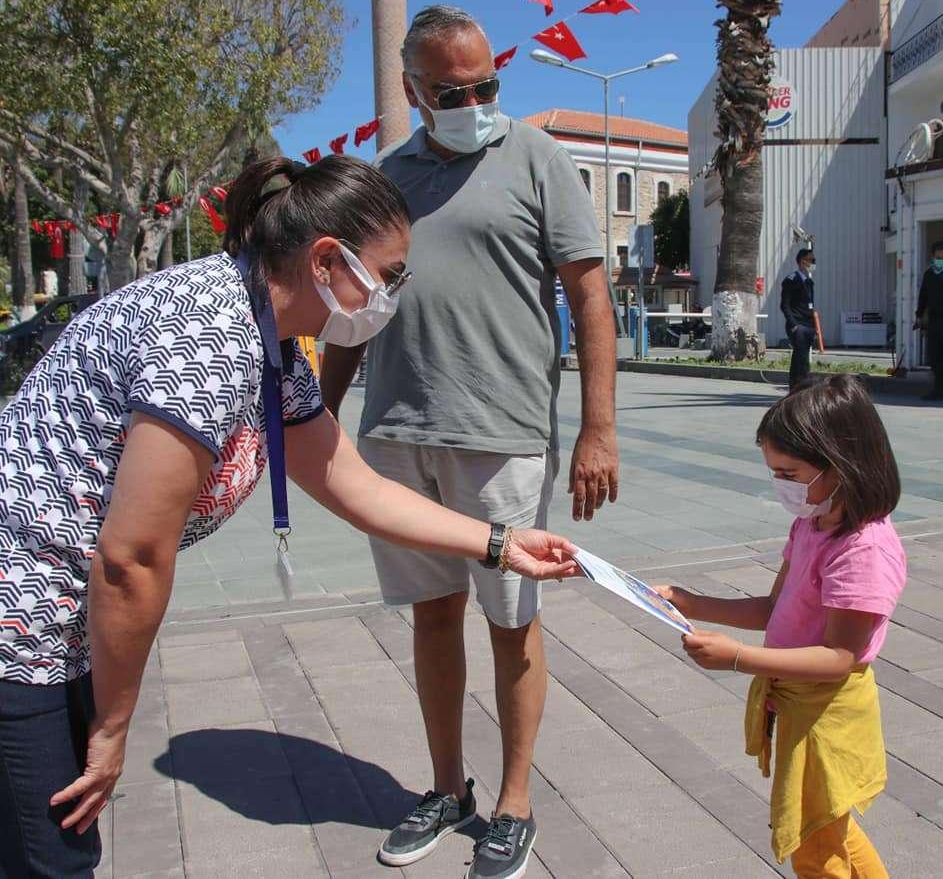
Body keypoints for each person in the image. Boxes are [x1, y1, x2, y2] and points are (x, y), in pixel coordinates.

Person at [0, 154, 579, 878]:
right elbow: (132, 559)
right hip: (22, 624)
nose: (394, 295)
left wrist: (499, 542)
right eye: (389, 274)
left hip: (60, 624)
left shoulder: (266, 339)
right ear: (326, 261)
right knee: (52, 860)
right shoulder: (208, 334)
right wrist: (114, 727)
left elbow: (352, 485)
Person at [320, 4, 618, 879]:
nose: (475, 103)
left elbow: (590, 298)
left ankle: (515, 803)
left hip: (503, 433)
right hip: (399, 432)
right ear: (411, 89)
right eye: (452, 92)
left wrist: (599, 428)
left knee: (511, 620)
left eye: (487, 84)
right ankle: (448, 788)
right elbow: (354, 311)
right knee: (433, 614)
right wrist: (316, 416)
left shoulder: (538, 159)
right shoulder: (385, 176)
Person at [656, 375, 905, 878]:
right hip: (800, 707)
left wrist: (738, 658)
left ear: (841, 463)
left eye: (790, 474)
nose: (782, 486)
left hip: (826, 716)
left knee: (814, 846)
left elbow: (839, 658)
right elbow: (774, 609)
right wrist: (689, 601)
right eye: (775, 473)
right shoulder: (812, 524)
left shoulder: (863, 550)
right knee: (830, 829)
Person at [913, 240, 943, 401]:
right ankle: (939, 391)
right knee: (936, 357)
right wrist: (919, 315)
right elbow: (923, 296)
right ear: (932, 256)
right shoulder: (929, 273)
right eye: (937, 257)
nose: (940, 259)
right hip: (934, 320)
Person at [780, 248, 817, 391]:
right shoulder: (791, 280)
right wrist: (794, 325)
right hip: (797, 325)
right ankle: (797, 388)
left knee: (802, 358)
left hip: (808, 325)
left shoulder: (809, 282)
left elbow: (810, 306)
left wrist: (814, 327)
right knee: (800, 358)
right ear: (802, 261)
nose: (813, 263)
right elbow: (785, 305)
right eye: (812, 260)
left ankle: (800, 387)